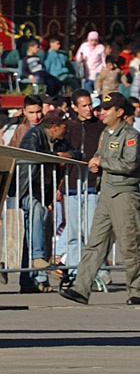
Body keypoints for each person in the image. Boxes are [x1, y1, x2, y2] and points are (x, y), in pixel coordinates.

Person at [60, 92, 140, 306]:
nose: (102, 112)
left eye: (107, 109)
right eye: (102, 108)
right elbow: (99, 154)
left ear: (120, 112)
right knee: (95, 243)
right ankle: (81, 287)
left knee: (130, 244)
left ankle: (137, 289)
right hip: (106, 193)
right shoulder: (107, 133)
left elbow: (130, 164)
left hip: (124, 194)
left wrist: (102, 162)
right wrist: (96, 162)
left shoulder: (130, 135)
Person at [17, 110, 70, 292]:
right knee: (37, 213)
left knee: (33, 232)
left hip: (44, 191)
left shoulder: (59, 140)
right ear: (54, 127)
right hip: (27, 188)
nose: (66, 130)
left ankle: (28, 279)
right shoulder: (33, 135)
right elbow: (34, 153)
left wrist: (68, 156)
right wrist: (57, 157)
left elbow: (75, 151)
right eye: (64, 126)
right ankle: (38, 257)